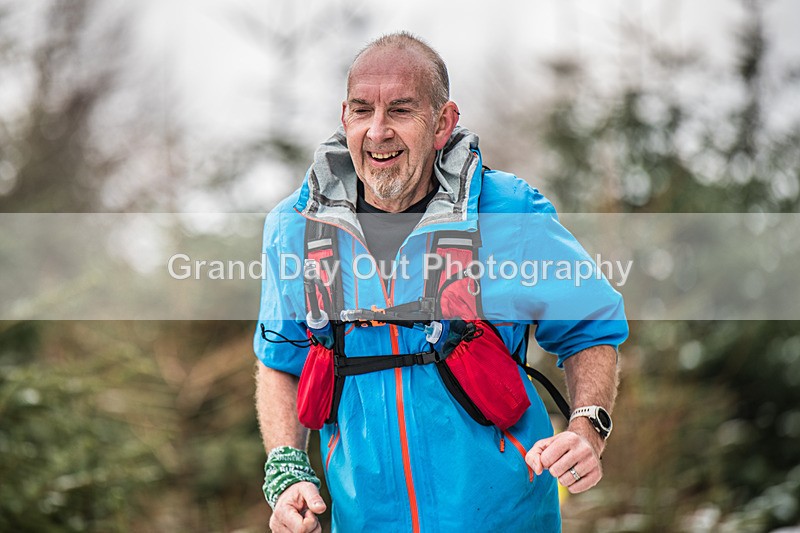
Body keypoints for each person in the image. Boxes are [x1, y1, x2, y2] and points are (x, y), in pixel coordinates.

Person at [254, 32, 627, 532]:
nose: (378, 131)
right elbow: (282, 360)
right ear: (344, 118)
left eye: (401, 111)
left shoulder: (510, 212)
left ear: (443, 123)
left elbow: (590, 329)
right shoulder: (293, 228)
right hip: (363, 521)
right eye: (362, 111)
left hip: (507, 518)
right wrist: (286, 471)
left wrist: (588, 428)